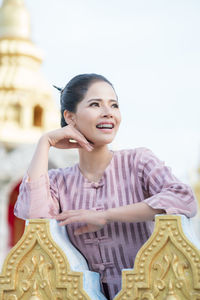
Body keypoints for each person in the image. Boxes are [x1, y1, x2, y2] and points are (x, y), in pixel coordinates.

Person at [14, 73, 197, 300]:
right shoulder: (59, 181)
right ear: (70, 117)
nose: (109, 112)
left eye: (114, 105)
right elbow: (35, 216)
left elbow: (184, 199)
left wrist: (106, 215)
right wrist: (45, 143)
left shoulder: (138, 162)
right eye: (95, 104)